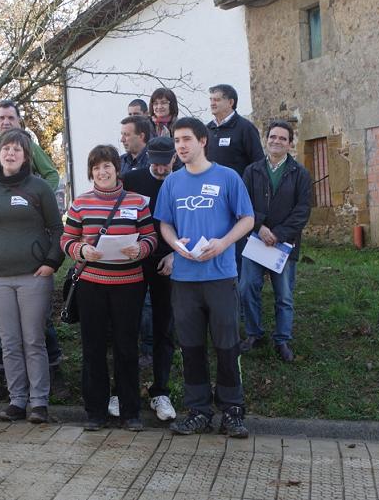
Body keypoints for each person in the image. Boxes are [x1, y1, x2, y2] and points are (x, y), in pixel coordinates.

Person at [153, 118, 255, 438]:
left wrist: (224, 243)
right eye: (177, 141)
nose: (181, 146)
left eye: (186, 139)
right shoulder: (172, 183)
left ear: (202, 141)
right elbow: (165, 223)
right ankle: (198, 411)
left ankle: (232, 411)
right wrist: (174, 244)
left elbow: (247, 219)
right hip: (184, 280)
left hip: (220, 276)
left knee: (227, 346)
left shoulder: (227, 177)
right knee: (191, 347)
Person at [0, 100, 65, 405]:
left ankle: (39, 402)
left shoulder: (39, 188)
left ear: (26, 157)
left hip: (34, 277)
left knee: (34, 341)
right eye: (6, 149)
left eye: (16, 150)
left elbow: (57, 229)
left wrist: (52, 261)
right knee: (9, 343)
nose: (10, 153)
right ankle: (17, 400)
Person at [61, 145, 157, 432]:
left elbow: (151, 237)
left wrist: (140, 248)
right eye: (96, 167)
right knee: (93, 349)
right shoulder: (80, 203)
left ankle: (130, 413)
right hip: (91, 286)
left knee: (127, 349)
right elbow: (66, 240)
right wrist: (81, 250)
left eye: (107, 166)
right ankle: (95, 413)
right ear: (91, 172)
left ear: (117, 169)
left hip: (129, 286)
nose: (102, 172)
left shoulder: (137, 202)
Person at [239, 121, 312, 361]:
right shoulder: (252, 171)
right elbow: (243, 204)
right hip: (256, 240)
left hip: (284, 244)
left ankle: (282, 340)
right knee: (247, 288)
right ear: (266, 139)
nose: (276, 141)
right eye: (272, 137)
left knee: (284, 295)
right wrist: (260, 227)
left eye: (282, 138)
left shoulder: (300, 174)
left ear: (290, 143)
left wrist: (278, 233)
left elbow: (302, 210)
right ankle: (254, 333)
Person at [122, 136, 178, 422]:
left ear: (174, 159)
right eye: (155, 163)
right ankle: (124, 392)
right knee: (127, 327)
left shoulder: (182, 181)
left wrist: (176, 254)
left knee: (163, 329)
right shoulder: (131, 180)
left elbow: (192, 223)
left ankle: (161, 391)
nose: (160, 168)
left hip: (168, 261)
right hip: (134, 260)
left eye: (165, 163)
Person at [205, 84, 264, 280]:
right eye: (211, 99)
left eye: (217, 99)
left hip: (237, 202)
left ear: (230, 102)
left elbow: (258, 166)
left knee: (238, 252)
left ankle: (238, 294)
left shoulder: (245, 128)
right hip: (212, 201)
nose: (212, 103)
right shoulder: (207, 130)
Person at [0, 100, 59, 191]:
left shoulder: (29, 145)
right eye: (2, 118)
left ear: (19, 120)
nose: (6, 122)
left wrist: (39, 195)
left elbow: (52, 175)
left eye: (11, 118)